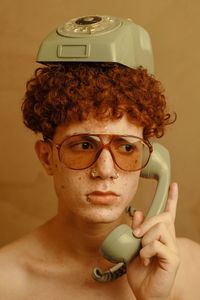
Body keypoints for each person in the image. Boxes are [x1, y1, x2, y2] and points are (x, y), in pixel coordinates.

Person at [0, 39, 200, 300]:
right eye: (83, 145)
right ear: (47, 157)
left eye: (126, 148)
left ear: (148, 161)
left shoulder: (192, 269)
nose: (105, 170)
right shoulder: (7, 281)